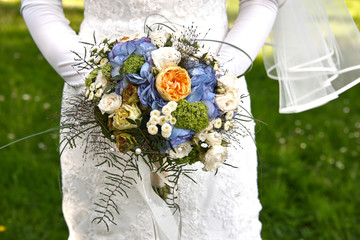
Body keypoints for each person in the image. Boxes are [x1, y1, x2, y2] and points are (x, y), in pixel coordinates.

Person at [20, 0, 360, 239]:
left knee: (217, 226)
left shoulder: (214, 84)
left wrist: (215, 78)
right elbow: (39, 3)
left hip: (212, 92)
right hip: (103, 98)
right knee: (112, 228)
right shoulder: (99, 89)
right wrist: (96, 83)